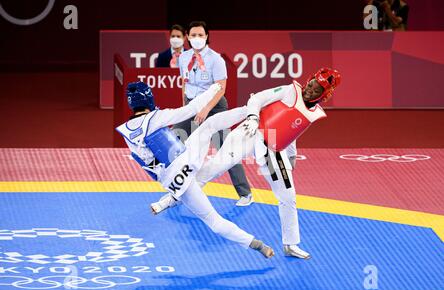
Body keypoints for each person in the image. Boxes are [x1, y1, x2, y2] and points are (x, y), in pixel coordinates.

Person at [150, 67, 342, 259]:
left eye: (316, 90)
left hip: (272, 149)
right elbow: (256, 99)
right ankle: (172, 198)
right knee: (213, 169)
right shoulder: (289, 90)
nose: (310, 90)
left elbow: (293, 130)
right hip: (250, 132)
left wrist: (291, 156)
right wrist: (252, 117)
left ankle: (290, 244)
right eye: (310, 85)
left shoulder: (313, 113)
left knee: (288, 195)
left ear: (324, 95)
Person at [115, 81, 274, 259]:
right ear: (149, 98)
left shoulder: (126, 133)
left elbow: (147, 163)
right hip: (186, 158)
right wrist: (214, 89)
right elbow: (192, 109)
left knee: (213, 220)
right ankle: (250, 110)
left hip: (174, 181)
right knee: (210, 125)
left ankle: (257, 245)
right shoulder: (155, 117)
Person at [170, 20, 253, 207]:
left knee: (226, 149)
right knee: (175, 140)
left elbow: (221, 89)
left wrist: (206, 109)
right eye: (193, 35)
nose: (197, 38)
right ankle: (179, 190)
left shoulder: (216, 59)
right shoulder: (183, 58)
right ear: (187, 38)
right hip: (192, 105)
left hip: (214, 107)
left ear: (207, 37)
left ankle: (245, 193)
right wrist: (185, 106)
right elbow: (185, 83)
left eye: (200, 35)